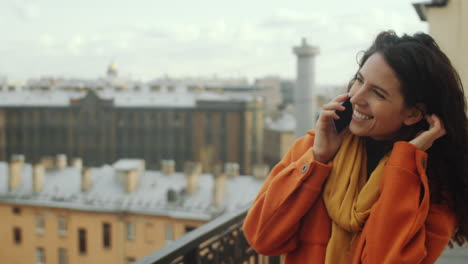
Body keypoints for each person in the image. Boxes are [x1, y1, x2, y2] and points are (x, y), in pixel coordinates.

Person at [242, 30, 468, 263]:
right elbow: (262, 238)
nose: (356, 97)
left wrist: (404, 166)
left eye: (378, 93)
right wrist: (318, 159)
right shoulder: (314, 147)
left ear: (412, 114)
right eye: (359, 80)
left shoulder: (435, 184)